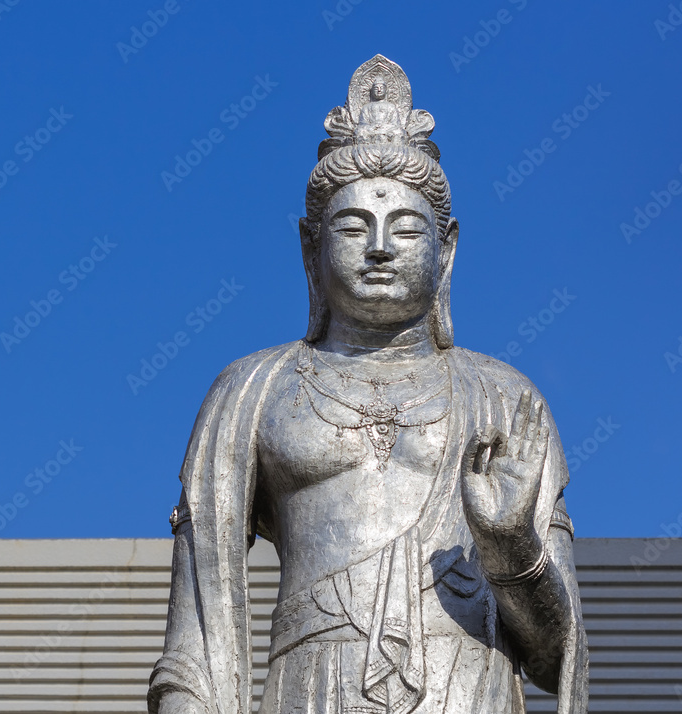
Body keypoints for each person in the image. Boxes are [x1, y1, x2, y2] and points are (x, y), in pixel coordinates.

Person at [149, 55, 588, 714]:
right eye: (353, 227)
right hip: (312, 689)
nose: (380, 247)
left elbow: (559, 661)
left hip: (467, 688)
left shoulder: (504, 400)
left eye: (406, 229)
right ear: (310, 246)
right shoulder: (249, 393)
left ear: (448, 249)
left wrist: (512, 551)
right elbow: (196, 640)